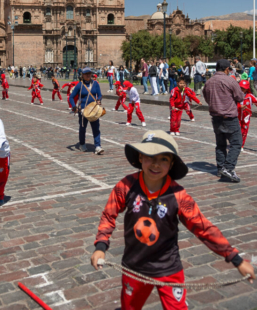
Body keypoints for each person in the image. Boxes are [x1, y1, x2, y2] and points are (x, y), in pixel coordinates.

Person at [90, 130, 255, 310]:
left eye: (163, 159)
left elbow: (203, 227)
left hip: (169, 268)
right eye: (150, 156)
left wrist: (235, 259)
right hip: (134, 267)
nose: (155, 164)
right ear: (140, 157)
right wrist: (101, 246)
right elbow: (109, 214)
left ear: (172, 164)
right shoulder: (126, 186)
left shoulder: (178, 195)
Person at [203, 59, 244, 183]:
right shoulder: (230, 80)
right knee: (236, 143)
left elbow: (206, 97)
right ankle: (228, 168)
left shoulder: (209, 82)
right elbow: (240, 96)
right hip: (229, 117)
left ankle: (221, 168)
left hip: (216, 117)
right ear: (227, 69)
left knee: (220, 145)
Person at [69, 67, 103, 155]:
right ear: (82, 75)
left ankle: (98, 146)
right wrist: (74, 107)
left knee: (96, 129)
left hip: (93, 110)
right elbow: (71, 97)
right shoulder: (79, 85)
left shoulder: (95, 83)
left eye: (89, 73)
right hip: (83, 111)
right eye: (86, 74)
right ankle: (82, 144)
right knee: (82, 128)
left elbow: (99, 94)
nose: (88, 75)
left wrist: (99, 99)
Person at [237, 79, 257, 150]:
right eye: (241, 88)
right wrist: (239, 107)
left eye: (244, 88)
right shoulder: (236, 95)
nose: (242, 90)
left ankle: (241, 145)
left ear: (247, 89)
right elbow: (231, 105)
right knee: (237, 131)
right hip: (237, 117)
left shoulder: (250, 96)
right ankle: (236, 144)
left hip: (246, 117)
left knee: (244, 131)